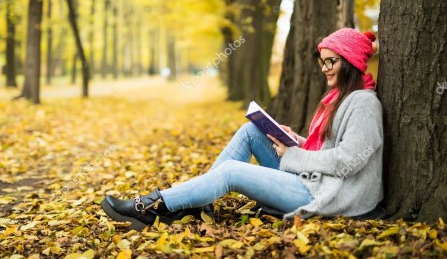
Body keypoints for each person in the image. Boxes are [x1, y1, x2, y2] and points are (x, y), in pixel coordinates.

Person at [101, 28, 384, 231]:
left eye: (331, 61)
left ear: (350, 61)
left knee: (230, 172)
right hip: (314, 179)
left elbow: (349, 161)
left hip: (326, 195)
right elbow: (327, 148)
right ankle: (199, 203)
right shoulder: (338, 100)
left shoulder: (364, 104)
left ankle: (151, 207)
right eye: (322, 61)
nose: (324, 68)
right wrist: (296, 139)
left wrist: (292, 155)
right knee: (252, 132)